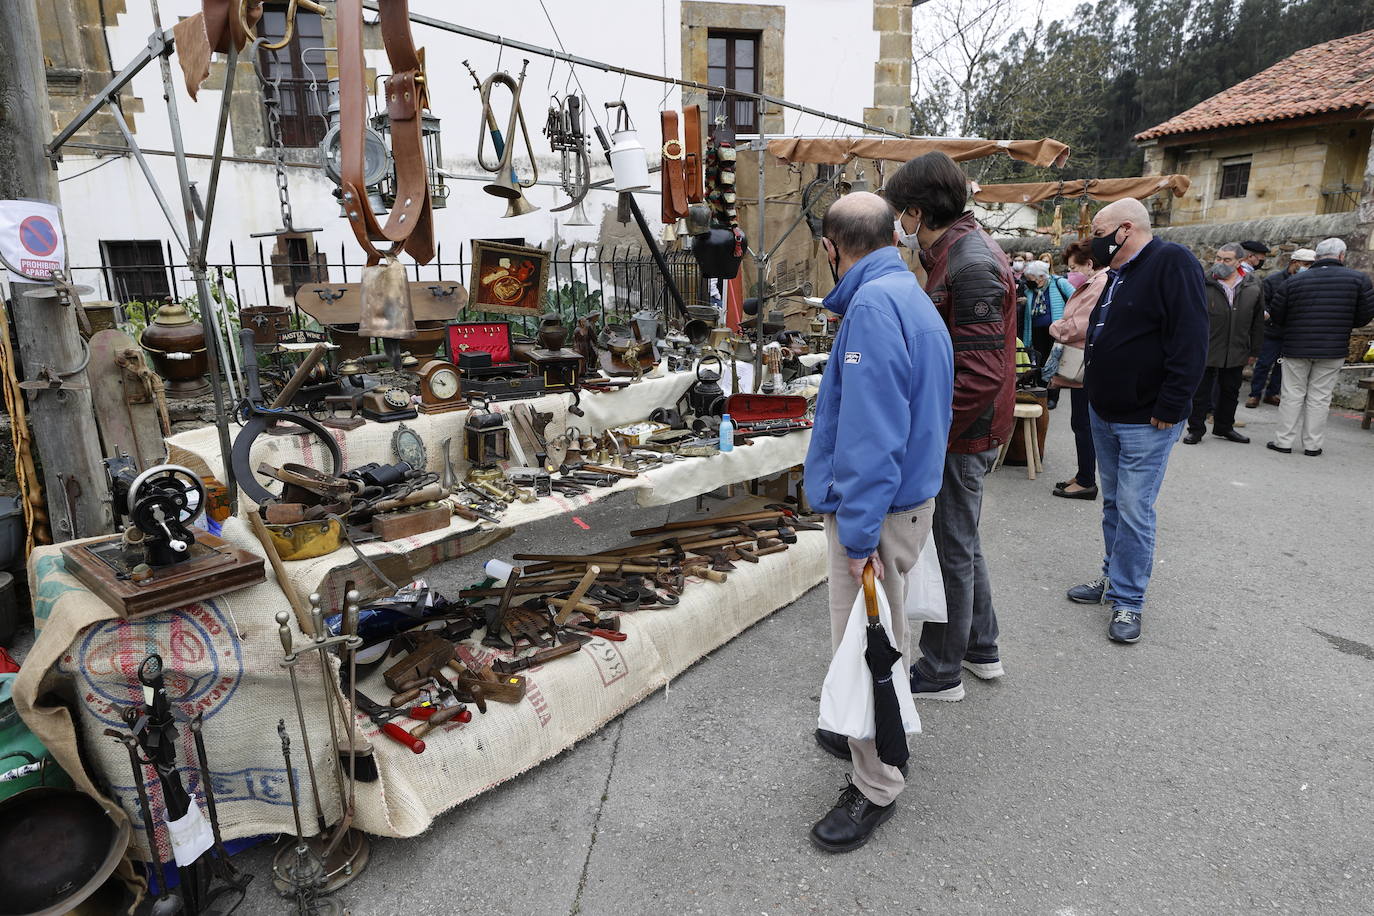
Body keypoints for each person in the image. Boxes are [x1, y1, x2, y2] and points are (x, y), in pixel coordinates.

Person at [804, 191, 953, 853]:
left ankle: (876, 784)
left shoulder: (870, 308)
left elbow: (870, 434)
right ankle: (871, 745)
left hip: (878, 510)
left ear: (833, 247)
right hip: (907, 499)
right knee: (883, 635)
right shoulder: (911, 295)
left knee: (869, 649)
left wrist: (859, 535)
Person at [885, 151, 1017, 699]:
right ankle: (981, 648)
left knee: (952, 545)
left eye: (899, 214)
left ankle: (940, 671)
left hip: (966, 430)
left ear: (916, 212)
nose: (897, 226)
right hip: (966, 427)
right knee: (963, 540)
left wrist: (930, 435)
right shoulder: (957, 254)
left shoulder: (970, 263)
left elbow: (979, 376)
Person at [1065, 199, 1207, 644]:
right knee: (1113, 503)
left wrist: (1170, 405)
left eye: (1101, 230)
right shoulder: (1119, 273)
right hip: (1105, 410)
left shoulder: (1172, 262)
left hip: (1147, 418)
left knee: (1133, 507)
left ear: (1125, 229)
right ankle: (1112, 580)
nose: (1096, 239)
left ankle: (1129, 600)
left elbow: (1190, 338)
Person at [1266, 237, 1374, 457]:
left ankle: (1283, 441)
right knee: (1320, 396)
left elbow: (1277, 314)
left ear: (1317, 256)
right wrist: (1342, 323)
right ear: (1342, 256)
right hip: (1333, 347)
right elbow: (1364, 316)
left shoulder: (1294, 281)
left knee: (1292, 394)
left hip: (1296, 345)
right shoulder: (1358, 280)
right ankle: (1312, 445)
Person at [1185, 243, 1264, 445]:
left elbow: (1257, 321)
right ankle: (1196, 429)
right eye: (1218, 258)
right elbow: (1190, 315)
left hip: (1236, 347)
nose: (1220, 263)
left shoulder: (1252, 284)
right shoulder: (1204, 281)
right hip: (1207, 346)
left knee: (1230, 391)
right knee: (1201, 392)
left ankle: (1224, 427)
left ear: (1240, 261)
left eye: (1226, 259)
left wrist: (1254, 349)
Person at [1049, 239, 1109, 499]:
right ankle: (1084, 473)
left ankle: (1086, 480)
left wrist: (1056, 327)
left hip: (1086, 361)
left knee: (1083, 423)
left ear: (1089, 264)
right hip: (1085, 359)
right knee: (1080, 421)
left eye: (1074, 267)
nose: (1071, 272)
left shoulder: (1098, 284)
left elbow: (1078, 325)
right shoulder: (1094, 282)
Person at [1247, 248, 1314, 408]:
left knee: (1281, 365)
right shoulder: (1273, 280)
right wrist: (1269, 314)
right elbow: (1264, 302)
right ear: (1294, 263)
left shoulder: (1306, 281)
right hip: (1272, 330)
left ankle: (1272, 393)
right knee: (1264, 363)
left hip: (1291, 332)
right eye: (1305, 264)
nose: (1308, 268)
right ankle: (1254, 394)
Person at [1021, 260, 1074, 395]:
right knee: (1040, 360)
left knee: (1054, 361)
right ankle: (1041, 391)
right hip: (1036, 330)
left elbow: (1076, 299)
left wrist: (1068, 321)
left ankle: (1053, 395)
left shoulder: (1059, 283)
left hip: (1055, 330)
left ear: (1041, 277)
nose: (1029, 281)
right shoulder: (1029, 290)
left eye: (1031, 278)